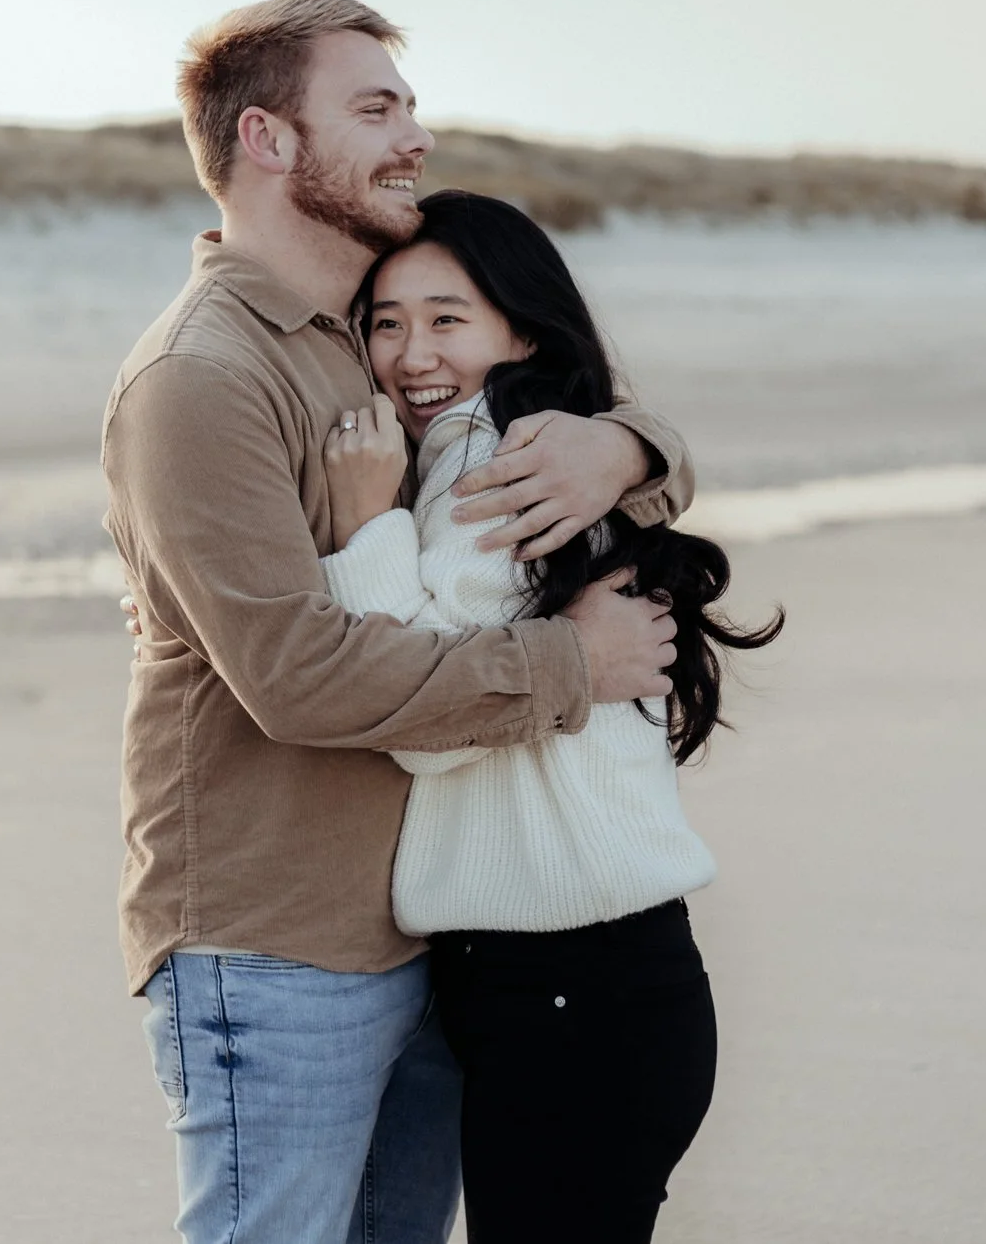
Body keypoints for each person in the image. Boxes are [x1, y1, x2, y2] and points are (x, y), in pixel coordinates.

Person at [102, 0, 699, 1244]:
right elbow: (296, 674)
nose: (415, 136)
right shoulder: (200, 379)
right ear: (267, 140)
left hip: (427, 943)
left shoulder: (363, 334)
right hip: (271, 941)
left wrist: (623, 443)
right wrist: (569, 663)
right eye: (376, 108)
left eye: (408, 106)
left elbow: (553, 388)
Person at [316, 190, 783, 1243]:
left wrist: (364, 527)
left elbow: (424, 722)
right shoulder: (505, 446)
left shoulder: (494, 461)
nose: (409, 351)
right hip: (581, 984)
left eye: (447, 318)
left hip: (573, 987)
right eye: (385, 321)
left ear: (520, 327)